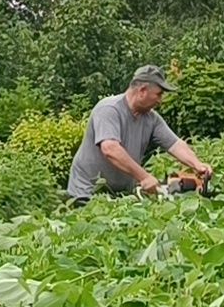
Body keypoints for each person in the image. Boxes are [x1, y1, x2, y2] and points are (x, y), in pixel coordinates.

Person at [66, 64, 214, 205]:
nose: (160, 100)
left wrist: (197, 165)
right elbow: (110, 149)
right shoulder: (109, 109)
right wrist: (144, 177)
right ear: (142, 90)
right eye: (159, 94)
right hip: (88, 194)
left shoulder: (151, 118)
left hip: (119, 196)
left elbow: (174, 144)